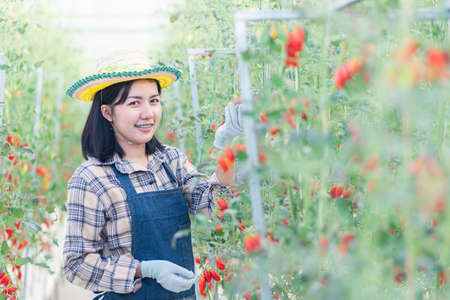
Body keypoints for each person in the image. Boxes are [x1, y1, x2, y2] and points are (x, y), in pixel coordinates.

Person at [62, 50, 243, 300]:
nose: (148, 113)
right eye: (134, 103)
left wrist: (226, 143)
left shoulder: (170, 161)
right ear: (107, 112)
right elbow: (76, 265)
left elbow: (214, 204)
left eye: (154, 100)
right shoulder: (91, 179)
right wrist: (144, 270)